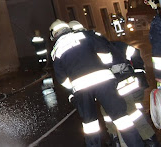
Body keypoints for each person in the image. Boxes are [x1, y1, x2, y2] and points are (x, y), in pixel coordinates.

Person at [50, 19, 144, 147]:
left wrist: (74, 89)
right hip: (103, 80)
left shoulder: (56, 50)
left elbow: (62, 79)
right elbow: (104, 51)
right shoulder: (85, 35)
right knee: (121, 118)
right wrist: (106, 67)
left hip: (81, 88)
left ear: (54, 34)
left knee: (90, 126)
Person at [69, 20, 159, 146]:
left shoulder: (87, 53)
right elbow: (133, 53)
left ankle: (126, 139)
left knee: (128, 114)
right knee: (126, 114)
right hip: (127, 85)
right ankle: (142, 139)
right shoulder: (112, 44)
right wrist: (139, 71)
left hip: (119, 87)